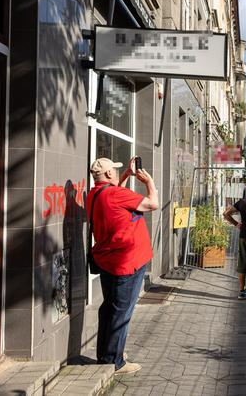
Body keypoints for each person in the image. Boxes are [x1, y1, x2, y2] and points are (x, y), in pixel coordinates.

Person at [86, 157, 159, 374]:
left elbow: (115, 194)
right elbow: (152, 203)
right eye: (116, 171)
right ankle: (115, 362)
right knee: (121, 312)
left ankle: (108, 353)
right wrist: (149, 182)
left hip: (108, 260)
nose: (118, 173)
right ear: (109, 175)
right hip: (127, 262)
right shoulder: (116, 194)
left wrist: (127, 173)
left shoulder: (95, 194)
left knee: (109, 308)